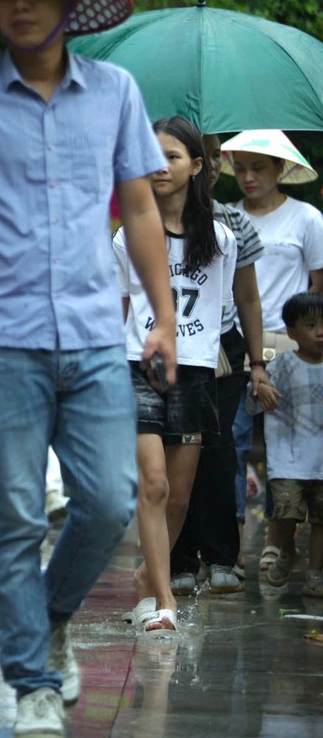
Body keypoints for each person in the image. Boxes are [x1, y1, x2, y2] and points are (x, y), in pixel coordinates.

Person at [0, 0, 177, 737]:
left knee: (108, 500)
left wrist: (164, 315)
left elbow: (139, 206)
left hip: (99, 334)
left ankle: (51, 614)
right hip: (0, 334)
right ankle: (31, 679)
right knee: (18, 513)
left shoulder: (116, 93)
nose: (20, 3)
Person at [113, 116, 237, 632]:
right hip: (137, 366)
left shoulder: (223, 239)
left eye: (173, 156)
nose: (160, 166)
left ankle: (148, 580)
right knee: (156, 485)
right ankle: (164, 600)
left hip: (195, 370)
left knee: (180, 494)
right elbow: (118, 306)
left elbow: (222, 309)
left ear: (197, 167)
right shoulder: (127, 237)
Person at [219, 129, 323, 573]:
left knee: (296, 437)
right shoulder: (226, 220)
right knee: (233, 439)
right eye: (239, 168)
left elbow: (318, 288)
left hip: (288, 341)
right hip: (235, 341)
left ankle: (286, 540)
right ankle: (233, 549)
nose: (247, 177)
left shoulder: (307, 219)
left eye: (257, 167)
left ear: (280, 169)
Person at [169, 131, 265, 595]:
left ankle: (223, 556)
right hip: (163, 348)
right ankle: (179, 561)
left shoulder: (232, 224)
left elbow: (246, 296)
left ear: (213, 164)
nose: (205, 165)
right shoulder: (144, 222)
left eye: (210, 156)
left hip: (222, 348)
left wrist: (258, 362)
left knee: (217, 446)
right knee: (172, 452)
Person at [247, 292, 323, 594]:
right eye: (311, 324)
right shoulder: (281, 366)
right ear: (292, 332)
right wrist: (259, 392)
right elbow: (254, 404)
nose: (320, 331)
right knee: (285, 514)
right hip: (289, 458)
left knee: (320, 519)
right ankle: (287, 550)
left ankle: (315, 572)